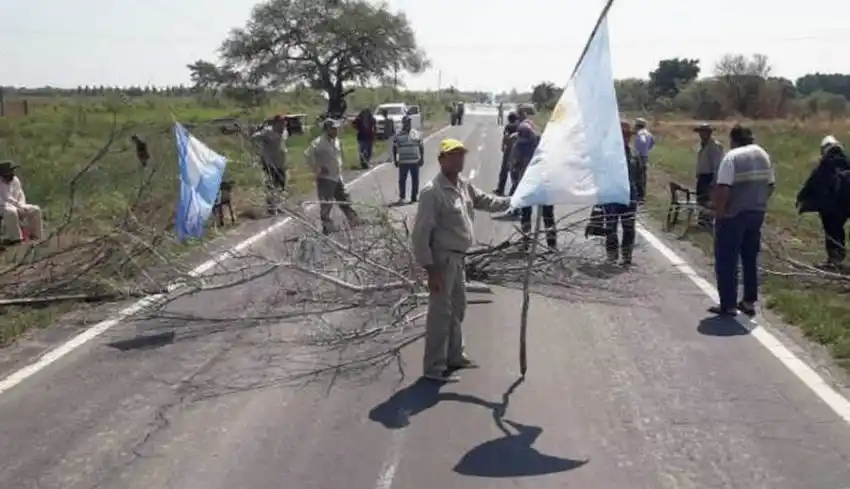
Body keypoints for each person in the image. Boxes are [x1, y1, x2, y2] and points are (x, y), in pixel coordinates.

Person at [411, 138, 511, 382]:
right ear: (441, 159)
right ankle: (434, 368)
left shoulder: (463, 185)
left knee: (458, 308)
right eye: (452, 155)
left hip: (458, 261)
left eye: (460, 154)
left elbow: (488, 202)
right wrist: (431, 270)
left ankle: (455, 356)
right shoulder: (432, 192)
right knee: (440, 314)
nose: (458, 159)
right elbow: (420, 234)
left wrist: (518, 200)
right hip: (441, 261)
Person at [710, 124, 775, 317]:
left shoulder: (732, 158)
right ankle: (748, 301)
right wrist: (759, 202)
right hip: (756, 213)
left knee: (727, 260)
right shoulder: (764, 155)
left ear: (733, 140)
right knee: (750, 258)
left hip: (733, 216)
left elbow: (723, 190)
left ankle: (728, 305)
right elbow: (770, 186)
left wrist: (719, 215)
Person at [796, 135, 850, 268]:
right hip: (847, 203)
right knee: (839, 229)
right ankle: (838, 256)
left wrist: (801, 198)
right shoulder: (847, 160)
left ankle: (835, 258)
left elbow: (813, 182)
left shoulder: (826, 163)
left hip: (831, 205)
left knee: (832, 231)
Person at [304, 119, 359, 235]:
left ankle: (353, 219)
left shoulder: (336, 141)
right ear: (327, 129)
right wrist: (317, 168)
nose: (336, 130)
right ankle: (327, 226)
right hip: (326, 178)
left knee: (344, 198)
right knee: (326, 203)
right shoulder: (318, 143)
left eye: (336, 128)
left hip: (337, 176)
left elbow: (338, 155)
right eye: (333, 128)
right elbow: (307, 155)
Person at [514, 122, 557, 250]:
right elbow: (515, 165)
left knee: (545, 215)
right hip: (535, 183)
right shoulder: (523, 144)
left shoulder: (541, 144)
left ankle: (550, 244)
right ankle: (533, 243)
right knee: (533, 215)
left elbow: (514, 166)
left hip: (540, 183)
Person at [602, 121, 639, 266]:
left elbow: (639, 174)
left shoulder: (633, 153)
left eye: (628, 135)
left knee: (629, 226)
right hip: (612, 194)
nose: (626, 137)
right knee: (610, 226)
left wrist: (640, 193)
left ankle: (626, 256)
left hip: (630, 194)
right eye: (623, 134)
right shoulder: (609, 154)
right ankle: (612, 256)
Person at [252, 115, 288, 214]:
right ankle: (272, 207)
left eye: (284, 124)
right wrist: (259, 129)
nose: (283, 126)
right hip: (270, 164)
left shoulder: (284, 132)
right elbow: (254, 137)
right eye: (281, 123)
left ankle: (279, 205)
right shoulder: (267, 132)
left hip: (281, 163)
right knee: (272, 185)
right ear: (275, 123)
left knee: (281, 185)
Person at [0, 161, 43, 245]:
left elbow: (20, 194)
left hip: (16, 205)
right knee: (11, 212)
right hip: (2, 206)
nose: (11, 173)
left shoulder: (15, 180)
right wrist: (17, 207)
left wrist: (21, 206)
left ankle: (36, 236)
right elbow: (5, 199)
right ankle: (15, 239)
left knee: (35, 209)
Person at [693, 123, 725, 228]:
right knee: (701, 199)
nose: (701, 135)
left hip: (709, 176)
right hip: (702, 176)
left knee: (708, 200)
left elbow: (717, 165)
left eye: (704, 132)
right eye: (700, 132)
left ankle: (707, 222)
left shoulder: (714, 146)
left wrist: (714, 181)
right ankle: (702, 221)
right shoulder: (702, 145)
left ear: (709, 133)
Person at [392, 115, 425, 203]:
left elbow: (421, 146)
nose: (408, 124)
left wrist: (422, 158)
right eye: (406, 122)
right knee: (402, 180)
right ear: (403, 123)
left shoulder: (416, 133)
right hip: (403, 161)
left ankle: (414, 197)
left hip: (414, 161)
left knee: (415, 180)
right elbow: (394, 147)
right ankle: (402, 197)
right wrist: (395, 159)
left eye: (409, 122)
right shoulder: (398, 134)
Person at [494, 111, 519, 196]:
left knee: (504, 170)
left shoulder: (508, 126)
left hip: (509, 150)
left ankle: (500, 189)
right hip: (518, 151)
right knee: (515, 171)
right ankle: (513, 192)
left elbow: (506, 137)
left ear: (509, 119)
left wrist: (503, 146)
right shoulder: (519, 125)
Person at [632, 117, 654, 203]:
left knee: (637, 176)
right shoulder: (648, 133)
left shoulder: (640, 134)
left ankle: (639, 196)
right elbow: (652, 143)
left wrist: (639, 152)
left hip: (639, 157)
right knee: (643, 176)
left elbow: (643, 141)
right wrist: (646, 150)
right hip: (645, 156)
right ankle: (642, 195)